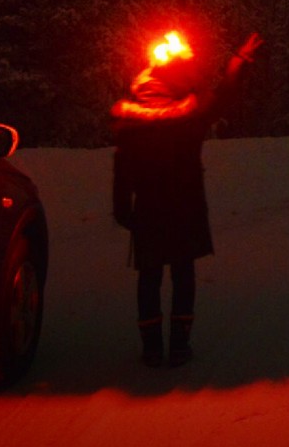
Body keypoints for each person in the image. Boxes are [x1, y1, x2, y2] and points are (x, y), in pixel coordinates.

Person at [110, 29, 261, 367]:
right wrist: (239, 60)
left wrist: (123, 210)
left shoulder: (129, 123)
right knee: (183, 274)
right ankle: (179, 346)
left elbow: (122, 172)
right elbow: (223, 95)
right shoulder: (189, 116)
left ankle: (151, 349)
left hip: (148, 210)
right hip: (186, 207)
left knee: (149, 277)